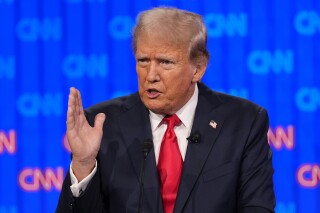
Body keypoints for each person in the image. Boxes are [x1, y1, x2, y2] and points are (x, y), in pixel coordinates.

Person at [56, 7, 276, 213]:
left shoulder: (243, 122)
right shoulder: (103, 124)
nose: (151, 75)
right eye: (143, 60)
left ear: (198, 69)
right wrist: (83, 163)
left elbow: (257, 207)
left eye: (165, 62)